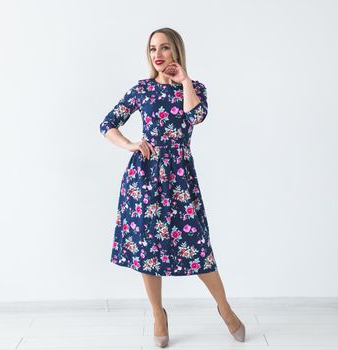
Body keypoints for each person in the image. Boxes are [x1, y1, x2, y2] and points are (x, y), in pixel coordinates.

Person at [99, 27, 245, 347]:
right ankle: (158, 315)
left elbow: (198, 116)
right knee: (149, 251)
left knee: (197, 247)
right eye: (153, 49)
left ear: (176, 51)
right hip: (145, 179)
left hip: (180, 178)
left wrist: (185, 81)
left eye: (164, 47)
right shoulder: (143, 90)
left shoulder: (194, 88)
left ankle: (224, 308)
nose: (158, 54)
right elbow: (107, 124)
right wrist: (130, 145)